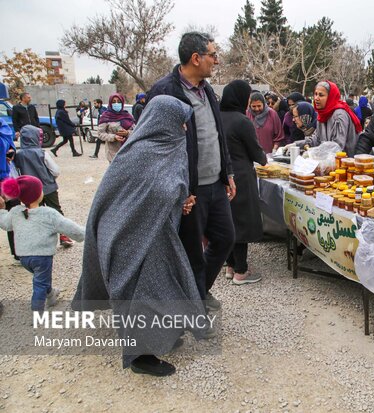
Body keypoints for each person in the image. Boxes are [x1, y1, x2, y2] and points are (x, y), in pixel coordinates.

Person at [72, 95, 209, 376]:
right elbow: (142, 192)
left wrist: (182, 200)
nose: (184, 129)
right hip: (130, 236)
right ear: (164, 122)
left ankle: (160, 336)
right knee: (140, 294)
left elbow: (170, 188)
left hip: (156, 233)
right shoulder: (139, 152)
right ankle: (140, 357)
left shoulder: (170, 146)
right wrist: (175, 196)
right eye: (180, 123)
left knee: (164, 287)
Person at [147, 31, 235, 311]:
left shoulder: (208, 90)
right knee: (191, 253)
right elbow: (152, 148)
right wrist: (177, 190)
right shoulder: (165, 92)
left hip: (215, 185)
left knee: (225, 239)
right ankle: (194, 309)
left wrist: (228, 172)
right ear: (196, 58)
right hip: (189, 192)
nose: (216, 61)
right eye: (213, 55)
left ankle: (197, 294)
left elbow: (216, 133)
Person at [0, 175, 84, 312]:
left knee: (41, 279)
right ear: (38, 194)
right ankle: (37, 311)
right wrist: (87, 232)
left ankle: (51, 294)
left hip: (23, 257)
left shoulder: (16, 212)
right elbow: (70, 228)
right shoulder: (49, 214)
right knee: (40, 283)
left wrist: (1, 210)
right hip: (42, 257)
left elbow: (5, 224)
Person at [220, 80, 267, 285]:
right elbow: (256, 153)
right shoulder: (242, 121)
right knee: (241, 223)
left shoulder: (217, 117)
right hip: (240, 175)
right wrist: (264, 159)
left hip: (221, 176)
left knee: (228, 221)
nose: (249, 102)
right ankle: (241, 271)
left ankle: (230, 265)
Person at [290, 81, 362, 156]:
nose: (316, 98)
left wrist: (313, 152)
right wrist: (296, 145)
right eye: (315, 94)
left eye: (321, 95)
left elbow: (337, 147)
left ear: (330, 96)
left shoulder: (339, 115)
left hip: (346, 163)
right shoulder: (322, 115)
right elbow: (316, 140)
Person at [97, 93, 135, 163]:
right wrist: (114, 137)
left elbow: (136, 131)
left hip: (128, 151)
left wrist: (127, 133)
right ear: (110, 103)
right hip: (113, 153)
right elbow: (100, 133)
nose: (116, 104)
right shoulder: (105, 116)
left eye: (119, 102)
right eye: (114, 102)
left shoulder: (128, 116)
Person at [1, 118, 19, 260]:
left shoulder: (2, 124)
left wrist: (11, 151)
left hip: (7, 176)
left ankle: (17, 251)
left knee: (14, 212)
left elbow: (10, 143)